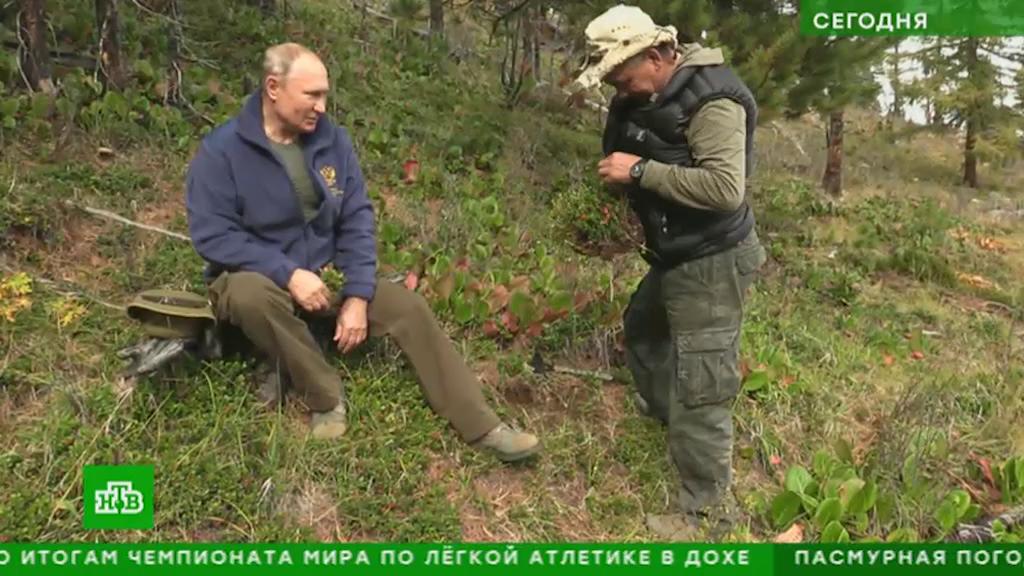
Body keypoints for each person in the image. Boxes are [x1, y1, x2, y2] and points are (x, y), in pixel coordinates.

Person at [184, 42, 540, 463]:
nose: (321, 106)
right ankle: (325, 396)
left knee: (407, 307)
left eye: (325, 95)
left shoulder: (332, 141)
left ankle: (482, 427)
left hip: (327, 275)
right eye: (311, 95)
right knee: (249, 295)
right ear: (273, 88)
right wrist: (287, 273)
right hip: (258, 279)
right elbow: (214, 235)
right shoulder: (222, 151)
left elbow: (356, 218)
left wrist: (356, 294)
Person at [571, 5, 768, 538]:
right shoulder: (647, 96)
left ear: (658, 57)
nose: (619, 89)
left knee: (702, 385)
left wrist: (640, 171)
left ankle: (708, 518)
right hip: (674, 255)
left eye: (623, 78)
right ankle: (667, 412)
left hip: (712, 259)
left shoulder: (713, 103)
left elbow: (725, 190)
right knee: (644, 329)